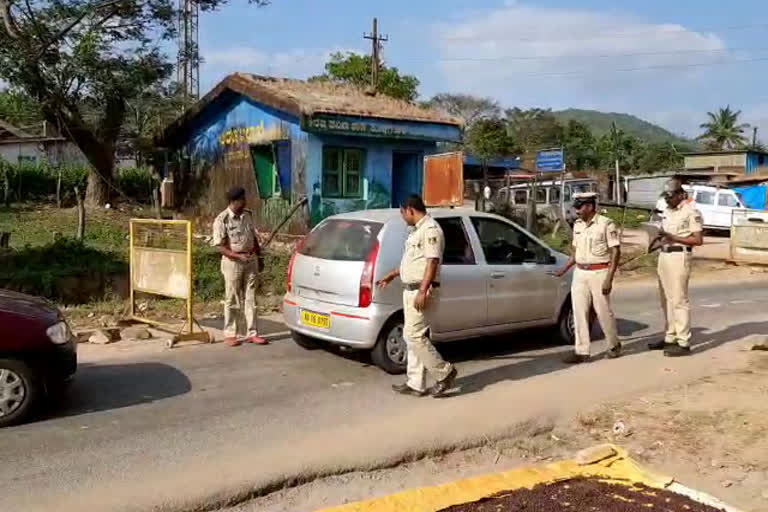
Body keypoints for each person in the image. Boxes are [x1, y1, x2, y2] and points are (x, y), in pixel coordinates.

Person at [377, 195, 458, 397]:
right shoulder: (417, 231)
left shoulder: (431, 230)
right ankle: (416, 383)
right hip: (410, 289)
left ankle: (444, 372)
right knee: (411, 335)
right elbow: (414, 262)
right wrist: (393, 274)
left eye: (403, 212)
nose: (403, 217)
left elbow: (432, 262)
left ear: (411, 210)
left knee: (414, 335)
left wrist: (422, 291)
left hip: (423, 290)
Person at [553, 192, 621, 364]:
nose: (576, 210)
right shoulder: (577, 225)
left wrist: (609, 279)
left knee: (603, 311)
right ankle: (582, 351)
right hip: (580, 273)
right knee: (579, 312)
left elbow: (615, 251)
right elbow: (575, 252)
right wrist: (564, 269)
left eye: (580, 206)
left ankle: (613, 344)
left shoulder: (606, 224)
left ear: (590, 207)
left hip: (600, 272)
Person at [648, 179, 703, 357]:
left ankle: (683, 341)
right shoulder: (667, 212)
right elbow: (664, 234)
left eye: (670, 196)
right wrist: (657, 240)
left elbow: (697, 240)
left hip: (680, 256)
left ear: (680, 194)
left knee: (679, 299)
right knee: (666, 299)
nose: (668, 200)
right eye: (666, 196)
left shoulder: (690, 212)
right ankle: (670, 336)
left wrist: (673, 237)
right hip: (664, 255)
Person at [212, 186, 267, 347]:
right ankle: (230, 334)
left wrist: (259, 256)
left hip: (251, 260)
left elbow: (253, 237)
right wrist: (237, 256)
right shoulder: (222, 219)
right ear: (233, 202)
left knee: (251, 299)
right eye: (242, 199)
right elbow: (220, 246)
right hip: (233, 263)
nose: (245, 202)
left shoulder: (247, 215)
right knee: (232, 298)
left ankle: (253, 333)